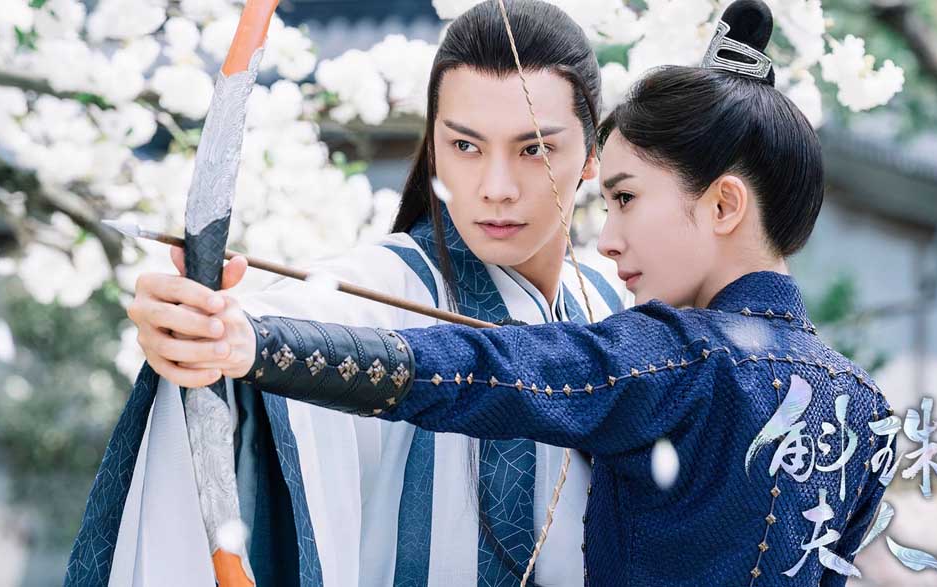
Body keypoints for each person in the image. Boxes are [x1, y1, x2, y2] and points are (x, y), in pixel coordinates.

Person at [189, 2, 895, 585]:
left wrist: (256, 344)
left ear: (723, 205)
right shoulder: (864, 409)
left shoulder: (676, 356)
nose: (607, 238)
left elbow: (494, 371)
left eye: (625, 198)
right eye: (464, 145)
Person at [66, 1, 624, 585]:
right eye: (465, 146)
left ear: (593, 155)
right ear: (434, 146)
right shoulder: (384, 286)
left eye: (535, 149)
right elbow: (299, 324)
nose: (496, 188)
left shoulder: (609, 304)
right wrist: (208, 330)